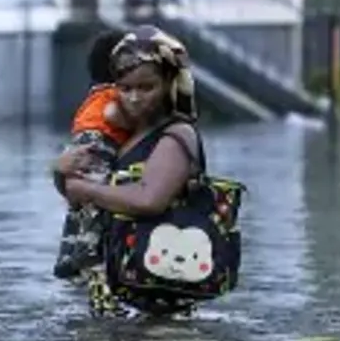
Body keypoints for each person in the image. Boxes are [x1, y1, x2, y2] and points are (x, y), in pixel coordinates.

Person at [52, 26, 243, 318]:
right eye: (125, 88)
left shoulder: (176, 135)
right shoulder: (121, 136)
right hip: (112, 297)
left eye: (146, 88)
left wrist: (86, 190)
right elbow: (83, 198)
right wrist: (59, 170)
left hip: (161, 309)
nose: (134, 98)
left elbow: (150, 198)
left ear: (171, 84)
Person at [53, 29, 131, 287]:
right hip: (99, 147)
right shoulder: (115, 100)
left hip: (86, 147)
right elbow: (114, 117)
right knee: (93, 210)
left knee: (82, 210)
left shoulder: (92, 98)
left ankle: (75, 257)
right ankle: (87, 258)